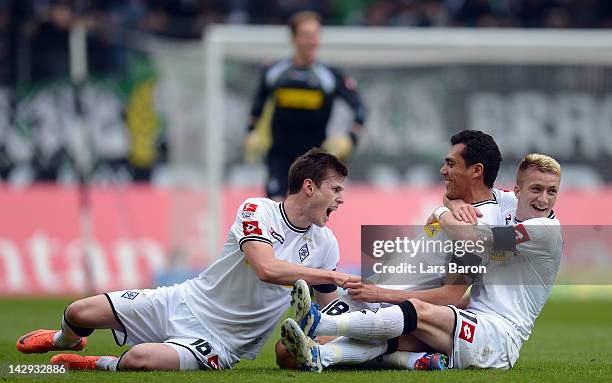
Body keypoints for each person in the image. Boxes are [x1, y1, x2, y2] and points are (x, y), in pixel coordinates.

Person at [16, 148, 359, 372]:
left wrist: (336, 336)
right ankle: (66, 340)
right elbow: (266, 268)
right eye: (337, 189)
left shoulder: (325, 244)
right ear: (310, 187)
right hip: (183, 299)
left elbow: (329, 308)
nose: (341, 199)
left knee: (139, 360)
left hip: (220, 342)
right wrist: (327, 275)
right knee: (78, 312)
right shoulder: (257, 210)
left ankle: (94, 363)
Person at [282, 153, 562, 372]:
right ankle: (321, 357)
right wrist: (452, 204)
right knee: (389, 339)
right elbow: (464, 194)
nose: (544, 199)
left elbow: (475, 237)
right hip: (467, 319)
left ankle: (320, 323)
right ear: (517, 190)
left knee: (414, 311)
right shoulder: (503, 206)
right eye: (536, 189)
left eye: (552, 191)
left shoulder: (544, 231)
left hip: (498, 336)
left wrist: (441, 212)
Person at [245, 10, 366, 201]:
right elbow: (257, 105)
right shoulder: (275, 72)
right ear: (294, 38)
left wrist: (351, 138)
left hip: (313, 158)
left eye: (316, 35)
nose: (312, 41)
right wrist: (251, 132)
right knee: (275, 208)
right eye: (306, 35)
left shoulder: (329, 76)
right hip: (279, 155)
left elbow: (359, 109)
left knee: (307, 214)